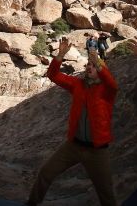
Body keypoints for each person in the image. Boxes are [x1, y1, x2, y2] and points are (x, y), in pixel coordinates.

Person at [27, 37, 118, 206]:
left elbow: (111, 82)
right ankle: (31, 203)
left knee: (105, 191)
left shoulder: (107, 90)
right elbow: (53, 75)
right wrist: (60, 55)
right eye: (87, 65)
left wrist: (95, 58)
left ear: (100, 70)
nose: (88, 67)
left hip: (97, 151)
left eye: (92, 66)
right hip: (73, 146)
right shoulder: (78, 84)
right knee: (46, 172)